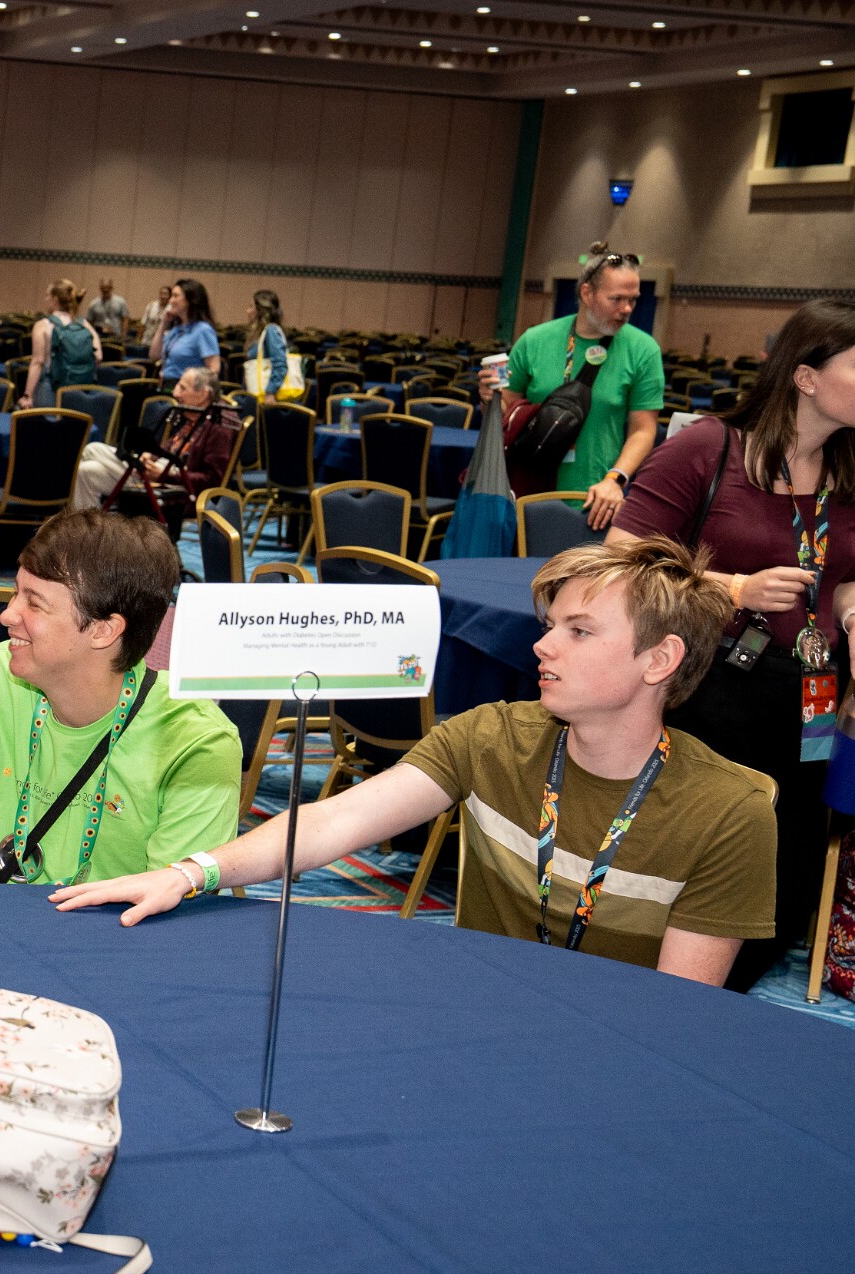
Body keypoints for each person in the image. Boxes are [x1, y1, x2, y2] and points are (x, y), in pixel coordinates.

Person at [53, 538, 778, 988]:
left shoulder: (729, 813)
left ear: (660, 660)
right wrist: (191, 873)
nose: (542, 646)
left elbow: (676, 1014)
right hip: (471, 1015)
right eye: (550, 624)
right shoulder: (492, 737)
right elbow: (335, 822)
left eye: (579, 631)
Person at [610, 299, 855, 990]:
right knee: (697, 846)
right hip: (713, 687)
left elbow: (843, 577)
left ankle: (724, 997)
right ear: (806, 377)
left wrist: (851, 612)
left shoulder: (849, 468)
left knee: (787, 857)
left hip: (810, 695)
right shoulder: (709, 448)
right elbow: (621, 556)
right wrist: (734, 588)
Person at [0, 508, 240, 885]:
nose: (7, 615)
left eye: (34, 603)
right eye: (15, 593)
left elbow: (168, 908)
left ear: (103, 630)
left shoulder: (196, 743)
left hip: (123, 924)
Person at [488, 242, 662, 526]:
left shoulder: (644, 350)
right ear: (587, 293)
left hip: (595, 500)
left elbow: (643, 430)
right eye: (616, 299)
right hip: (527, 493)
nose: (627, 309)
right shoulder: (534, 340)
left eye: (633, 300)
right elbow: (505, 413)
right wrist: (489, 399)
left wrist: (615, 479)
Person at [70, 367, 238, 511]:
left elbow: (212, 480)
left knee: (92, 449)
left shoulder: (219, 425)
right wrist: (150, 456)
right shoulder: (193, 414)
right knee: (87, 471)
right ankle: (87, 534)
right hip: (161, 469)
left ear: (203, 394)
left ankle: (135, 467)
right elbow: (169, 448)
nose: (175, 393)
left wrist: (164, 475)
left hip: (177, 484)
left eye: (182, 388)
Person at [20, 279, 101, 410]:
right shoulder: (84, 324)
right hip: (79, 392)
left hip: (50, 390)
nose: (45, 299)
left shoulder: (43, 325)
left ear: (55, 300)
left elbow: (38, 363)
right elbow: (98, 356)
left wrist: (27, 395)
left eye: (47, 295)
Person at [147, 278, 221, 382]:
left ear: (190, 300)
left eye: (175, 296)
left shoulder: (203, 330)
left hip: (187, 387)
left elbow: (213, 370)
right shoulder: (177, 330)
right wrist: (163, 323)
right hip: (167, 385)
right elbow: (154, 356)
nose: (171, 301)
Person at [243, 289, 289, 400]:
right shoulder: (260, 332)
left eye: (251, 307)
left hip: (267, 395)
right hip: (256, 393)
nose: (247, 311)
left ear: (260, 310)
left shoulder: (271, 330)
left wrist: (271, 392)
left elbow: (280, 364)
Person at [86, 278, 129, 342]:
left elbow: (125, 319)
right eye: (103, 288)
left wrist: (123, 335)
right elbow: (89, 321)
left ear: (112, 288)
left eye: (107, 288)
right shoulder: (93, 304)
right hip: (99, 336)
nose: (105, 290)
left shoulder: (120, 302)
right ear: (100, 288)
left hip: (116, 336)